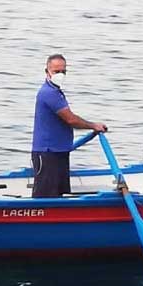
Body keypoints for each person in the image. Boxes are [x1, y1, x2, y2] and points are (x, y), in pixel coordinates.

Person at [31, 54, 108, 198]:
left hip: (60, 151)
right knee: (46, 196)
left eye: (63, 71)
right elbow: (71, 120)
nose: (60, 75)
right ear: (47, 72)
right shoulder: (49, 93)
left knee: (61, 194)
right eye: (56, 71)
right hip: (48, 153)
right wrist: (93, 126)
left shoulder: (57, 92)